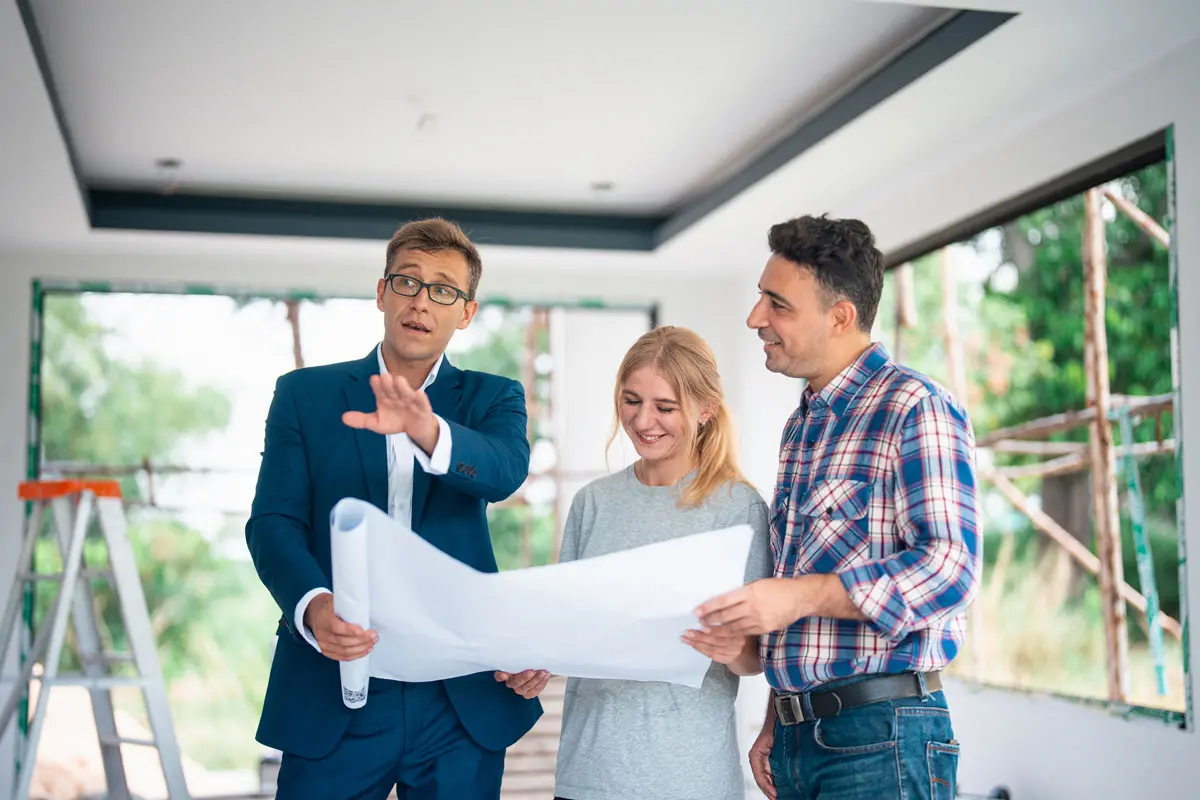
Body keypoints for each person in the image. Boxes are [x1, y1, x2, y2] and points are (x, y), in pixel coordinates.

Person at [246, 218, 542, 799]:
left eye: (443, 290)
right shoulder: (303, 395)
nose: (421, 301)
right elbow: (273, 522)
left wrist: (426, 430)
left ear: (466, 312)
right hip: (336, 684)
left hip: (459, 694)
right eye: (407, 282)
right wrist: (312, 606)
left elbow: (504, 472)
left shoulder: (493, 397)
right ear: (382, 293)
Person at [695, 215, 980, 800]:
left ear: (840, 316)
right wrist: (781, 717)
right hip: (803, 738)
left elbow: (949, 569)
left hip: (882, 736)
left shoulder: (915, 407)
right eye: (759, 300)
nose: (756, 319)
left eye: (778, 304)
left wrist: (799, 596)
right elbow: (799, 592)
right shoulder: (802, 426)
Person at [527, 325, 773, 800]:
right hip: (589, 773)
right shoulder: (592, 503)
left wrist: (727, 646)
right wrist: (535, 660)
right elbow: (564, 630)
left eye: (665, 407)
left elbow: (756, 659)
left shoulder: (739, 508)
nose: (642, 421)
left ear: (705, 409)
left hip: (689, 778)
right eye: (631, 400)